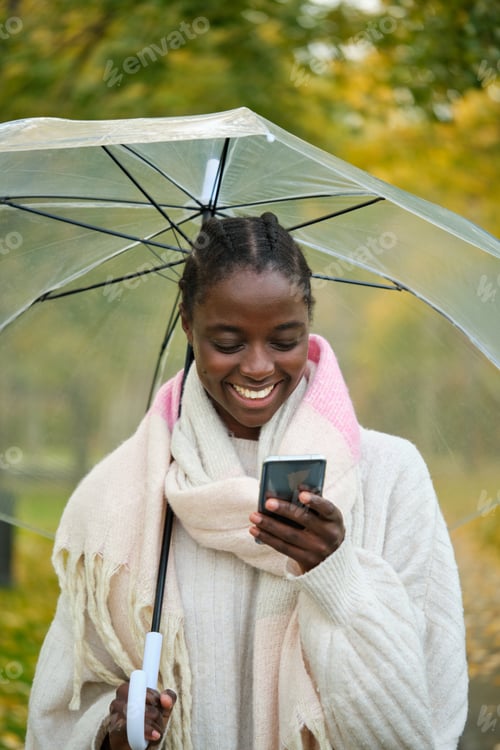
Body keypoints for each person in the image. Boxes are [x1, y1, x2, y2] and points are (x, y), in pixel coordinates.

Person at [26, 213, 468, 749]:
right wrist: (112, 736)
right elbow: (59, 716)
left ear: (308, 325)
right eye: (229, 342)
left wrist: (337, 576)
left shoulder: (391, 475)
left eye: (284, 340)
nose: (258, 367)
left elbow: (426, 721)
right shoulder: (127, 493)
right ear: (189, 326)